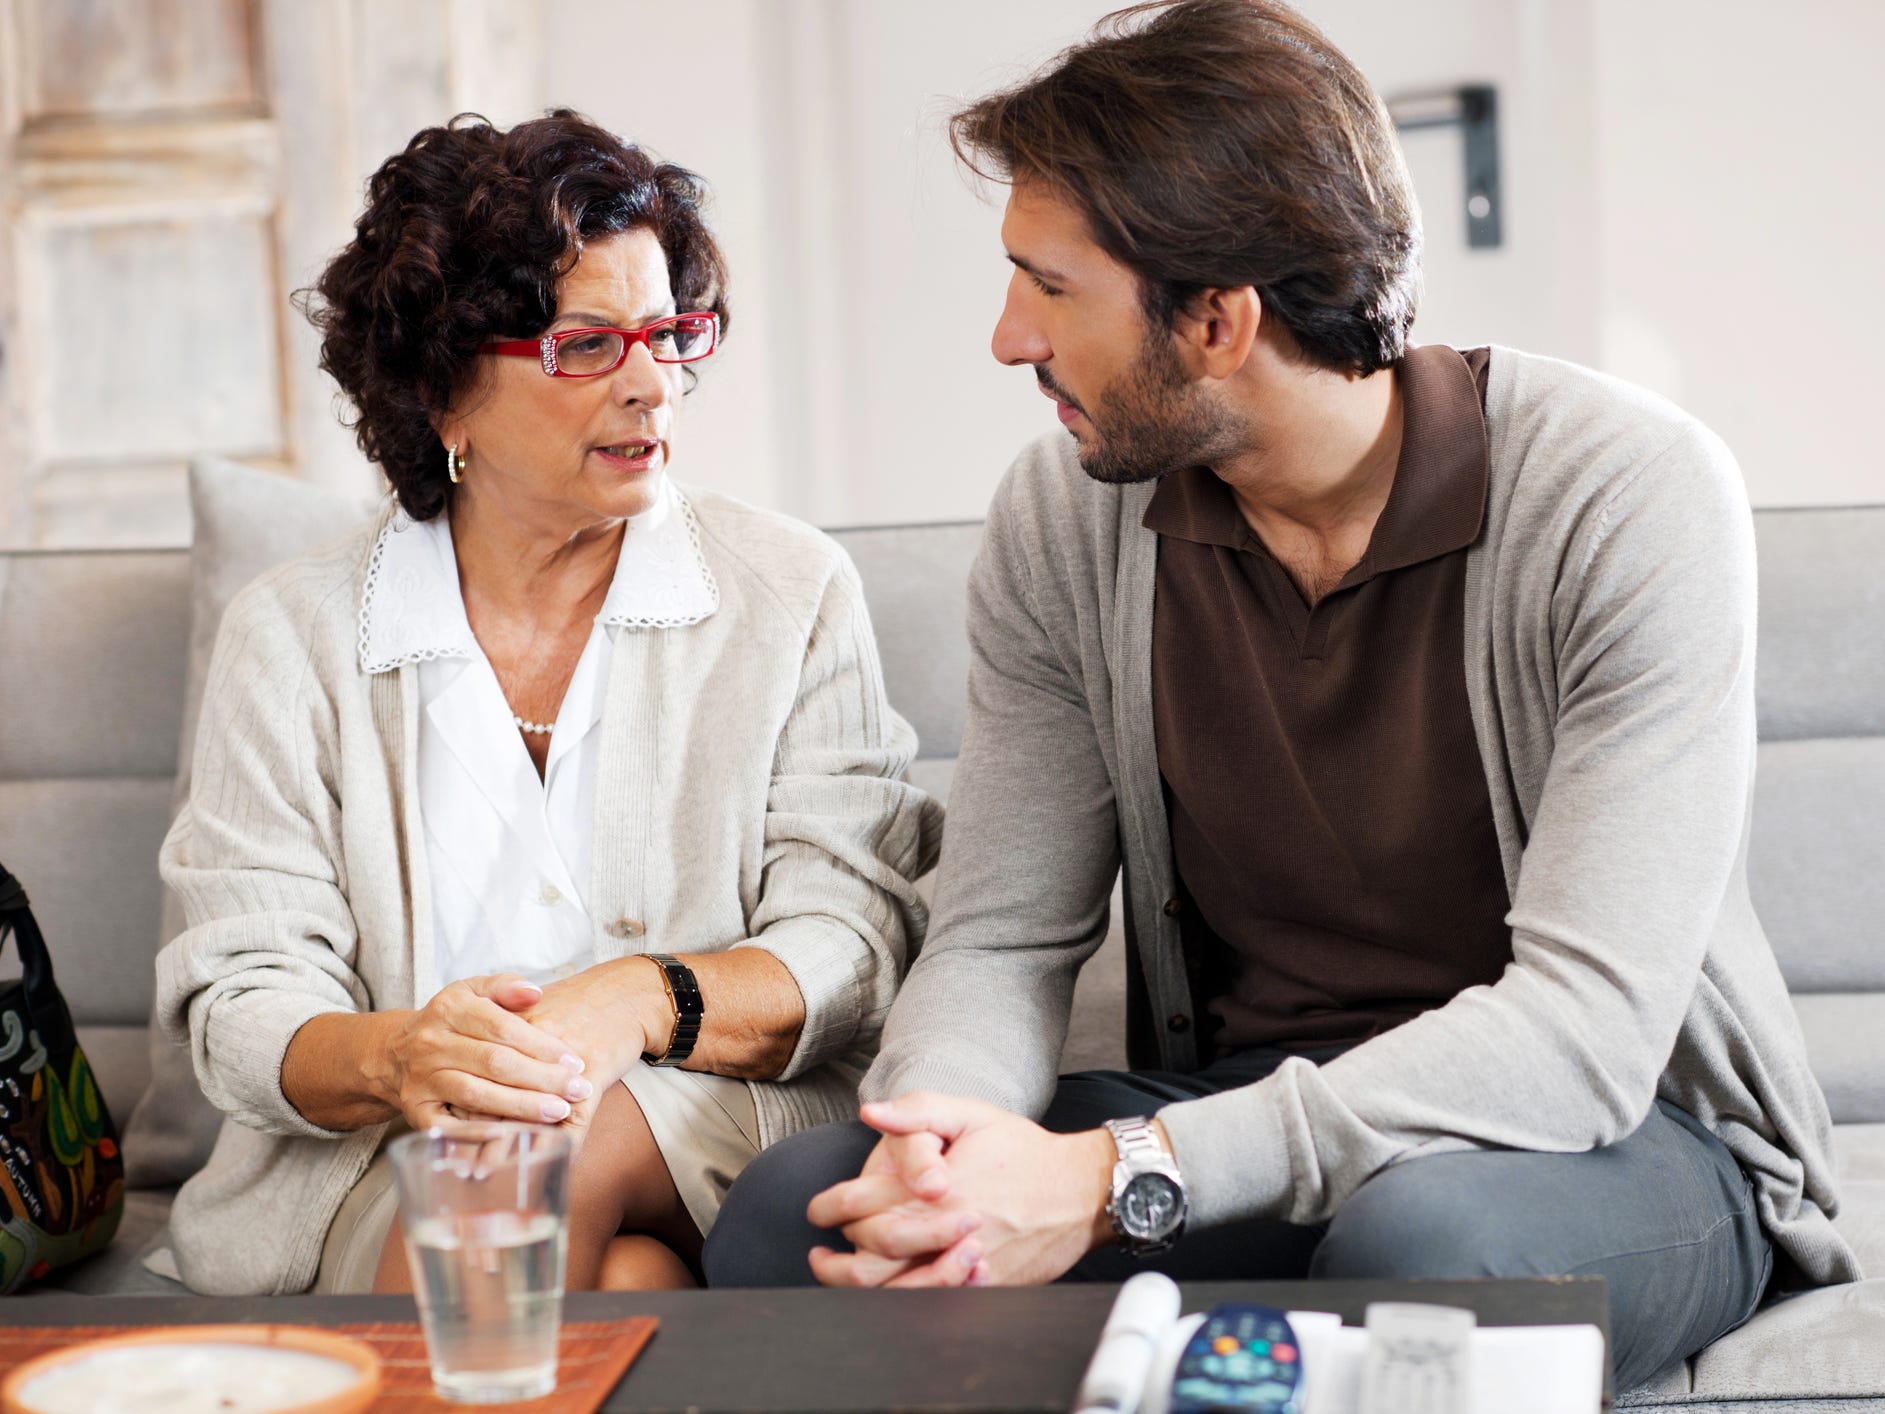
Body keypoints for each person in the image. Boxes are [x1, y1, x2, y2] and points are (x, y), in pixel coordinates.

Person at [703, 0, 1859, 1388]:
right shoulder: (1065, 524)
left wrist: (1116, 1175)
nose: (1010, 337)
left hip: (1591, 1147)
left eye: (1050, 287)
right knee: (800, 1212)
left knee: (1416, 1243)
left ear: (1215, 318)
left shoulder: (1623, 493)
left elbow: (1582, 1035)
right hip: (1233, 1128)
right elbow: (1001, 937)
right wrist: (938, 1147)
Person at [154, 111, 941, 1297]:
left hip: (705, 1118)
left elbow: (848, 941)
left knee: (528, 1164)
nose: (652, 382)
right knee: (624, 1285)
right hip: (389, 1154)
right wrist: (405, 1056)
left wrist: (628, 1002)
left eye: (669, 333)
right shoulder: (293, 634)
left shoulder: (789, 593)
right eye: (586, 345)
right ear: (442, 391)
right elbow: (239, 997)